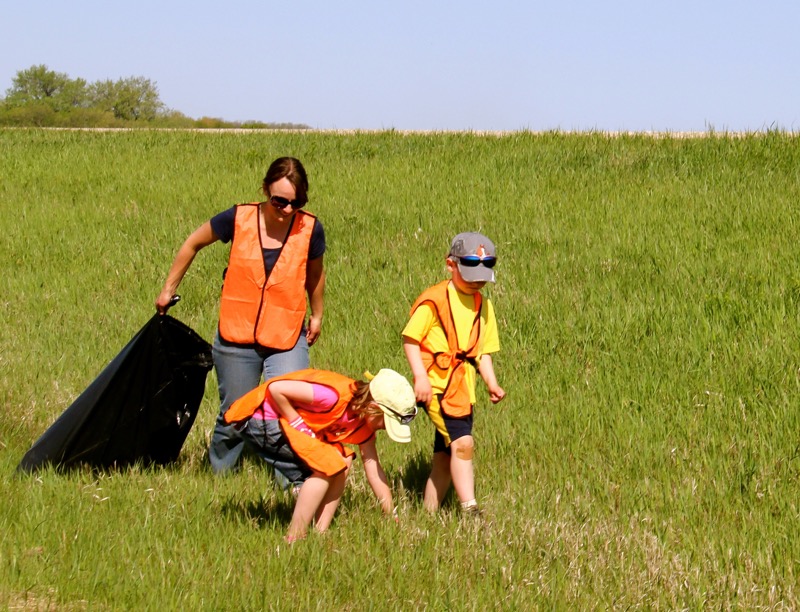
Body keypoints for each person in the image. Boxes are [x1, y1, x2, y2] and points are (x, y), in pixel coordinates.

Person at [156, 157, 325, 474]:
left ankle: (293, 486)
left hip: (287, 335)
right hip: (236, 334)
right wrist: (168, 289)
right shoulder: (238, 218)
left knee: (288, 409)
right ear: (265, 190)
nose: (288, 209)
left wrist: (317, 314)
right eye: (279, 201)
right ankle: (220, 478)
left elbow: (315, 275)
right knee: (235, 414)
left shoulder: (310, 228)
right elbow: (192, 243)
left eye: (296, 202)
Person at [223, 367, 418, 542]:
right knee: (325, 467)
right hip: (260, 418)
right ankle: (295, 536)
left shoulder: (364, 423)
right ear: (373, 408)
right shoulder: (331, 395)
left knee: (343, 460)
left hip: (285, 424)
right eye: (386, 423)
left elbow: (373, 468)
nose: (385, 429)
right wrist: (296, 421)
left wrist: (390, 513)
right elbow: (276, 389)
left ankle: (320, 532)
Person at [402, 232, 506, 515]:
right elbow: (410, 339)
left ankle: (428, 514)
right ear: (450, 265)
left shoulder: (483, 305)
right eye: (471, 273)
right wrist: (420, 377)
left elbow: (480, 351)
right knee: (463, 443)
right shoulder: (433, 300)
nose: (477, 281)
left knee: (444, 458)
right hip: (437, 388)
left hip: (463, 390)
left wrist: (491, 383)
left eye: (483, 276)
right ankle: (470, 509)